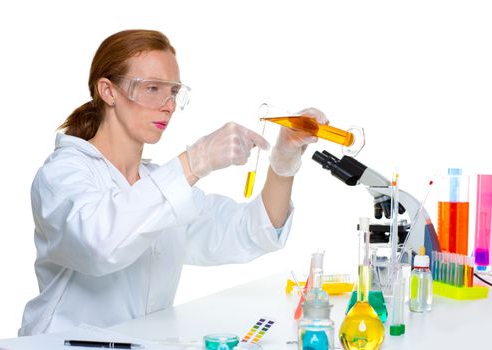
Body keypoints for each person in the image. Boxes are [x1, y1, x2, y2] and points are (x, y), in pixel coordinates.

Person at [19, 29, 328, 336]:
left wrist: (283, 162)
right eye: (152, 88)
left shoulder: (161, 185)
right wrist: (196, 160)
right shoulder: (63, 175)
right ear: (108, 91)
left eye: (174, 92)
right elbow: (100, 244)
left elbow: (250, 229)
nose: (168, 104)